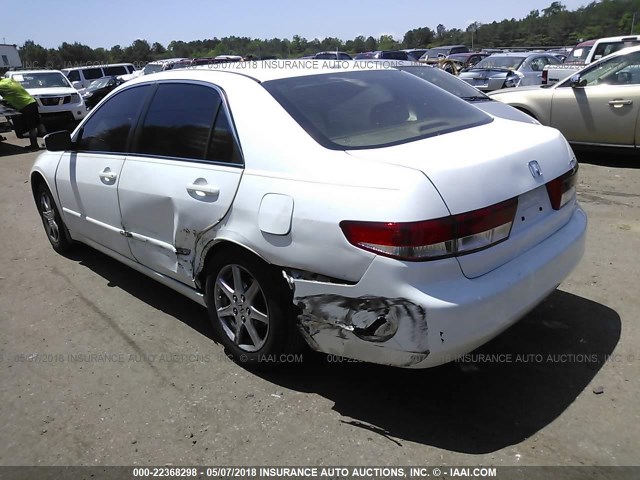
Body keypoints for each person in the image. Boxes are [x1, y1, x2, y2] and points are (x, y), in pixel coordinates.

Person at [0, 77, 45, 150]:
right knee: (38, 123)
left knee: (31, 126)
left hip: (25, 105)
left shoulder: (1, 85)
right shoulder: (8, 80)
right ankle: (49, 140)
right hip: (31, 101)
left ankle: (34, 145)